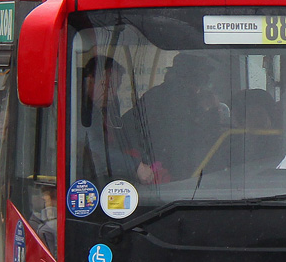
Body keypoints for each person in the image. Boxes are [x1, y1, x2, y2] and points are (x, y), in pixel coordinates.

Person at [126, 52, 227, 181]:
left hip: (164, 165)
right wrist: (212, 112)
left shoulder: (157, 94)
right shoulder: (177, 98)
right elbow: (189, 137)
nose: (206, 78)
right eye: (203, 73)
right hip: (170, 170)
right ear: (190, 75)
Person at [79, 55, 153, 183]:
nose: (112, 93)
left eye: (116, 87)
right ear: (89, 80)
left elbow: (120, 134)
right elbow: (92, 147)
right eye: (106, 86)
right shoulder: (77, 107)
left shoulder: (109, 105)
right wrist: (134, 165)